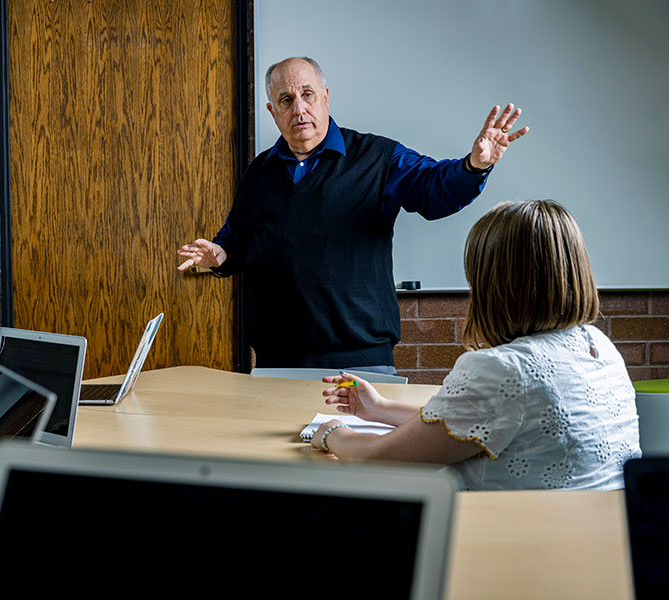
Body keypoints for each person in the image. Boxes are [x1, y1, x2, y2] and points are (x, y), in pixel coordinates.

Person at [177, 56, 529, 373]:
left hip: (361, 360)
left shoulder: (378, 157)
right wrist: (220, 255)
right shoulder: (259, 173)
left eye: (308, 94)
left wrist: (474, 166)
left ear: (326, 97)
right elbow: (237, 239)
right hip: (277, 361)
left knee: (355, 447)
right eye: (286, 100)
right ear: (272, 111)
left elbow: (433, 190)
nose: (299, 108)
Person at [312, 200, 641, 490]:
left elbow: (379, 459)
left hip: (508, 544)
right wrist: (379, 409)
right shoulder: (597, 344)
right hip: (603, 541)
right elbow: (476, 422)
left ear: (493, 285)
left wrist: (333, 433)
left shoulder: (503, 369)